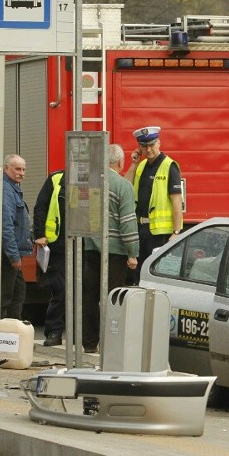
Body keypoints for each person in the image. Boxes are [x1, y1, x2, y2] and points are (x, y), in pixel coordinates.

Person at [82, 144, 140, 352]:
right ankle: (110, 343)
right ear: (120, 163)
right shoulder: (123, 186)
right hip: (115, 251)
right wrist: (132, 252)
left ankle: (89, 344)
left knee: (90, 297)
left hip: (90, 247)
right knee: (113, 297)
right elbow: (127, 221)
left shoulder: (90, 183)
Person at [124, 126, 183, 284]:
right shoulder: (141, 166)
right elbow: (126, 186)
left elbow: (177, 201)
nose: (148, 149)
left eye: (151, 145)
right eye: (144, 146)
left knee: (152, 275)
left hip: (159, 233)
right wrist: (134, 163)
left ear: (159, 143)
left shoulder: (169, 166)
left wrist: (176, 232)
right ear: (140, 147)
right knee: (136, 274)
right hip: (139, 229)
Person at [33, 170, 66, 346]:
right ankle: (54, 332)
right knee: (59, 290)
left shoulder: (93, 179)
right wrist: (39, 234)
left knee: (87, 293)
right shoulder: (56, 179)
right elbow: (41, 207)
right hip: (58, 245)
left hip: (86, 246)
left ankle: (87, 338)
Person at [1, 154, 32, 320]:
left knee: (18, 292)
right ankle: (5, 337)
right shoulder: (7, 191)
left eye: (24, 169)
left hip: (13, 253)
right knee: (7, 295)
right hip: (9, 254)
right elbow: (6, 226)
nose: (22, 173)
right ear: (7, 169)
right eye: (18, 169)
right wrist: (13, 255)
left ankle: (13, 334)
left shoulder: (14, 188)